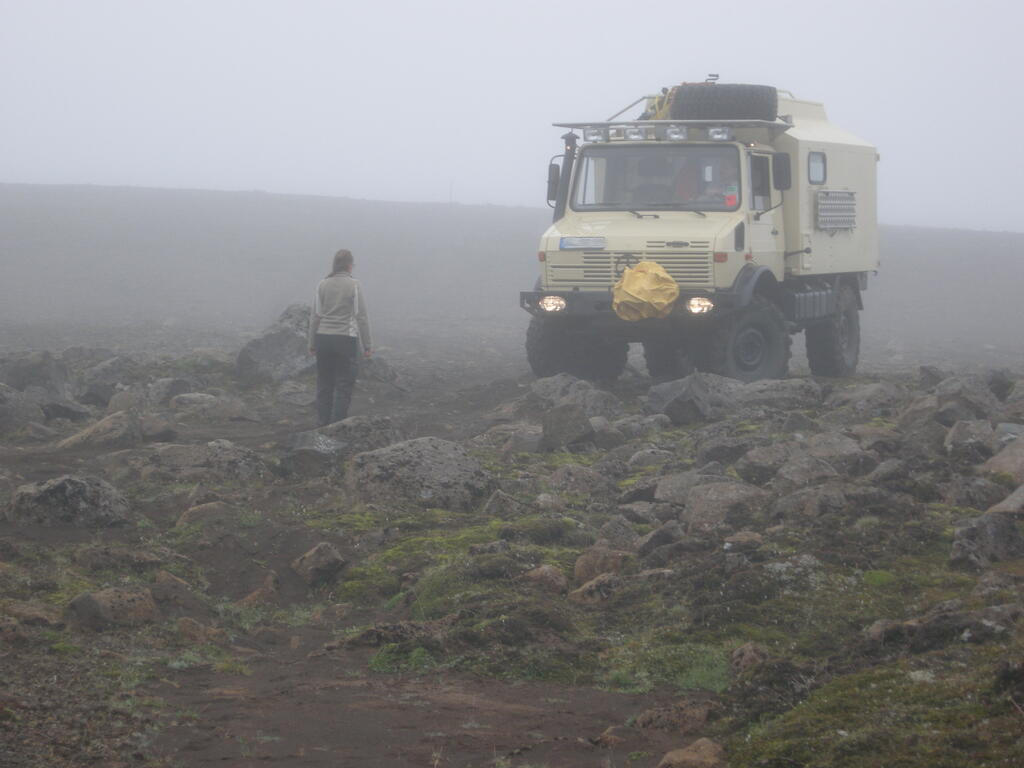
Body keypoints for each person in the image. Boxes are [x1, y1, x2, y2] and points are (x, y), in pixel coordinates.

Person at [308, 249, 372, 426]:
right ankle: (336, 428)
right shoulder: (354, 285)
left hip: (323, 338)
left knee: (324, 384)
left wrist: (312, 342)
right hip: (345, 339)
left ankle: (321, 426)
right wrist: (367, 345)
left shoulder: (322, 284)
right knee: (343, 385)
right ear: (350, 265)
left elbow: (315, 316)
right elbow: (361, 316)